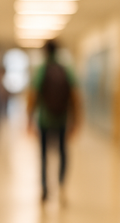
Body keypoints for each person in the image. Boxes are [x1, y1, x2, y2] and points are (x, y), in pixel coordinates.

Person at [27, 40, 82, 203]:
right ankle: (62, 186)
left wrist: (28, 119)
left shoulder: (42, 70)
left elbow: (33, 95)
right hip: (62, 119)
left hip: (44, 119)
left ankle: (44, 189)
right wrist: (77, 121)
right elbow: (75, 97)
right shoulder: (67, 70)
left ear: (45, 52)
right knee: (63, 153)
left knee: (44, 154)